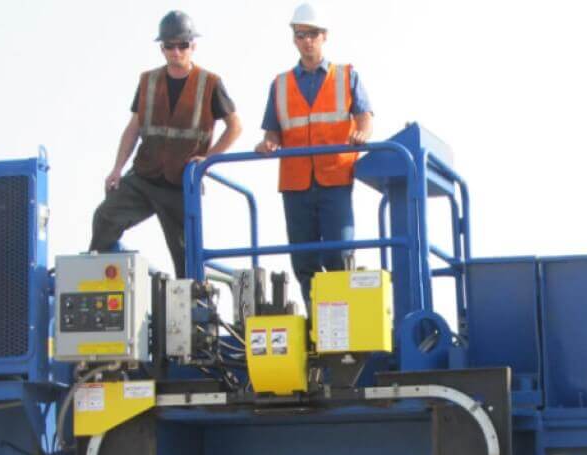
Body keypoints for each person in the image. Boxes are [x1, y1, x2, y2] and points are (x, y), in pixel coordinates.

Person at [90, 10, 242, 277]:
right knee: (105, 217)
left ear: (193, 46)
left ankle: (193, 305)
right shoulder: (148, 81)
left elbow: (235, 127)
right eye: (170, 46)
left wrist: (209, 159)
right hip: (144, 178)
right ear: (162, 48)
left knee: (186, 257)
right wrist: (116, 169)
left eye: (182, 45)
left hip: (180, 185)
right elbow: (133, 128)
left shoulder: (210, 83)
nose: (176, 52)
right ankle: (97, 280)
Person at [255, 2, 374, 311]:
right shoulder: (279, 84)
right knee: (304, 260)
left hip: (335, 178)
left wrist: (362, 133)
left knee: (339, 255)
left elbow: (365, 117)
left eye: (313, 34)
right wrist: (267, 143)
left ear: (325, 36)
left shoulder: (347, 76)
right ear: (294, 38)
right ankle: (318, 323)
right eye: (300, 34)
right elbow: (273, 131)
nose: (307, 40)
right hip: (296, 184)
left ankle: (344, 326)